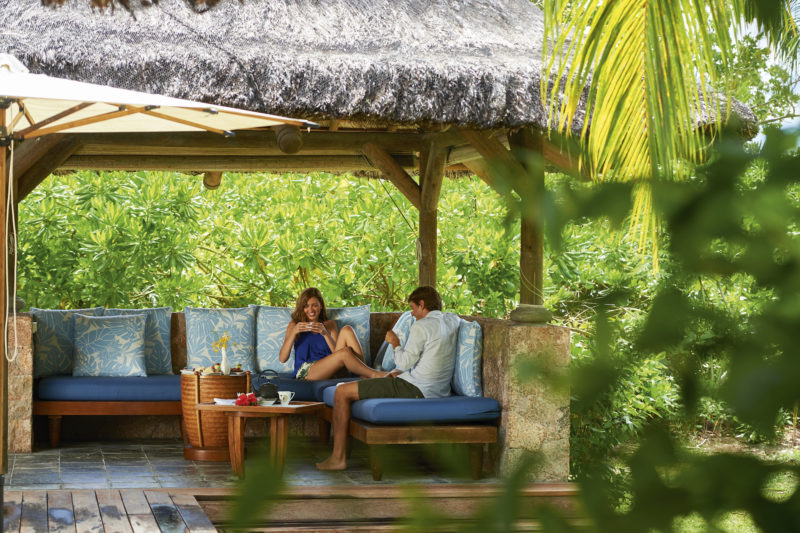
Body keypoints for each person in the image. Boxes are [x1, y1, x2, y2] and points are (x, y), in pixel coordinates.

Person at [316, 285, 460, 471]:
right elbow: (428, 359)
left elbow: (405, 361)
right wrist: (403, 374)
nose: (413, 313)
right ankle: (340, 455)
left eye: (413, 308)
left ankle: (338, 458)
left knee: (342, 391)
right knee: (390, 375)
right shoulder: (452, 321)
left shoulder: (422, 325)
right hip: (435, 388)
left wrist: (395, 343)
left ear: (422, 304)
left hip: (417, 390)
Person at [279, 287, 387, 381]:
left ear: (320, 306)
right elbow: (282, 358)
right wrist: (294, 333)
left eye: (314, 305)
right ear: (302, 308)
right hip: (307, 372)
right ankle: (373, 374)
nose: (310, 310)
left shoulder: (329, 325)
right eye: (306, 306)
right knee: (345, 352)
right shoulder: (295, 325)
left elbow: (336, 353)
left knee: (347, 330)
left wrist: (325, 334)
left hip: (331, 369)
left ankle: (363, 374)